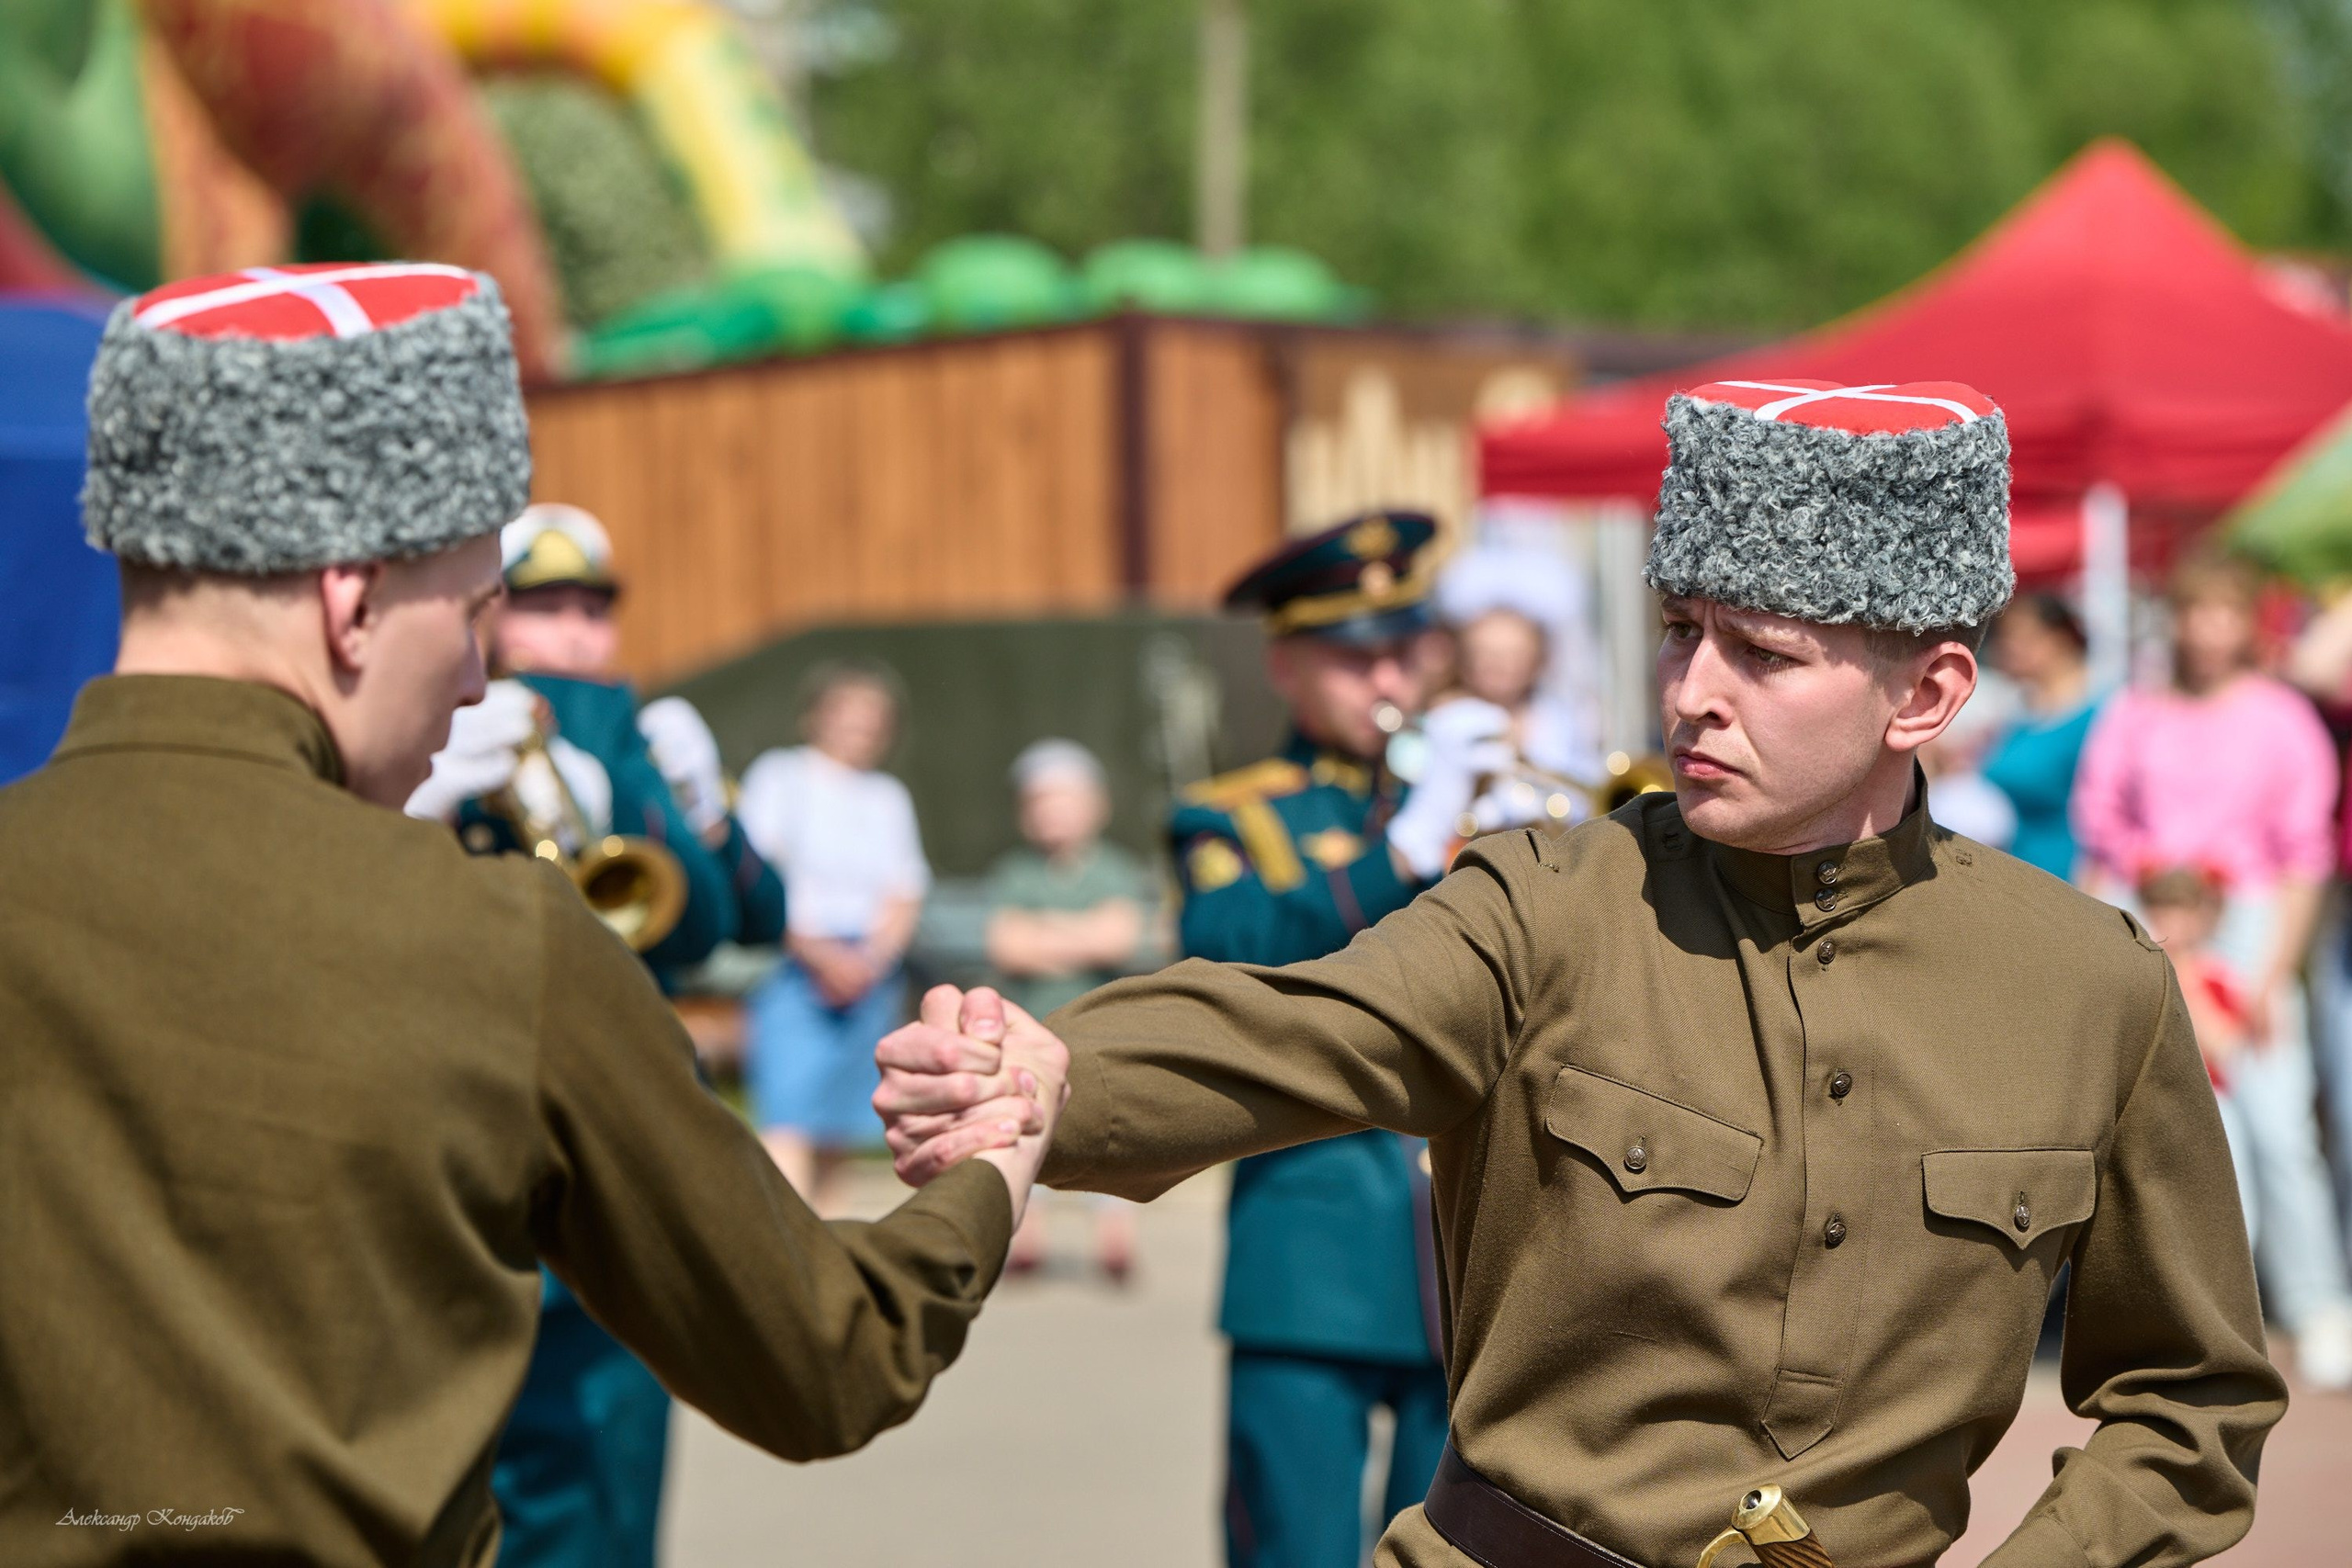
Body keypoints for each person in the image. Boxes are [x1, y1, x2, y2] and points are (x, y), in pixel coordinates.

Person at [878, 381, 2284, 1568]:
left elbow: (2192, 1394)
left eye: (1763, 652)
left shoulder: (2090, 985)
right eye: (1682, 629)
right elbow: (1308, 1024)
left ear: (1924, 696)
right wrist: (1058, 1074)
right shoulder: (1551, 901)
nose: (1690, 691)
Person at [0, 262, 1061, 1566]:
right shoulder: (499, 938)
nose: (471, 677)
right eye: (469, 612)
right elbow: (830, 1356)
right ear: (351, 601)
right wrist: (994, 1164)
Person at [409, 502, 790, 1568]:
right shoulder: (451, 721)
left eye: (592, 611)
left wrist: (701, 810)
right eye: (541, 609)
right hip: (479, 1121)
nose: (573, 635)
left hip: (618, 1137)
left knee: (610, 1472)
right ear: (492, 618)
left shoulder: (636, 737)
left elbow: (733, 920)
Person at [2074, 551, 2352, 1389]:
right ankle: (2167, 1308)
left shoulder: (2280, 718)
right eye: (2195, 611)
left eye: (2225, 612)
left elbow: (2304, 857)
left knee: (2274, 1120)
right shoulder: (2135, 711)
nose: (2207, 630)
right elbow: (2101, 834)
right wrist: (2107, 949)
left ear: (2247, 623)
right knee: (2145, 1121)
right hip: (2150, 913)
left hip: (2248, 926)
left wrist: (2268, 975)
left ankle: (2315, 1302)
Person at [736, 662, 930, 1211]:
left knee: (840, 1127)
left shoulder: (888, 796)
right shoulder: (780, 776)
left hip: (869, 972)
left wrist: (868, 961)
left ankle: (829, 1253)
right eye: (851, 716)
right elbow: (761, 876)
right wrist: (822, 958)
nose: (863, 730)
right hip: (793, 966)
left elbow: (904, 890)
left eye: (875, 720)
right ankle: (785, 1252)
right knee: (788, 1115)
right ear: (818, 716)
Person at [986, 738, 1161, 1280]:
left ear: (1096, 805)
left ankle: (1113, 1235)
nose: (1052, 813)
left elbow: (1118, 938)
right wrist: (1081, 934)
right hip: (1029, 1033)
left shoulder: (1115, 870)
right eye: (1040, 802)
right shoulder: (1014, 873)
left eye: (1064, 800)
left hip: (1099, 1034)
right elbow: (1007, 946)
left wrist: (1045, 936)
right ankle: (1025, 1235)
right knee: (1025, 1127)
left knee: (1108, 1131)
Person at [1981, 592, 2098, 881]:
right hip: (2019, 872)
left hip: (2071, 877)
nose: (2007, 649)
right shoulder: (2019, 714)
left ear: (2059, 639)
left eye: (2021, 637)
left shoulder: (2102, 714)